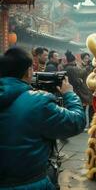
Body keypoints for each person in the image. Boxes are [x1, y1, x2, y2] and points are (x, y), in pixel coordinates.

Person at [0, 47, 86, 189]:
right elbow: (76, 122)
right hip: (32, 183)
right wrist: (69, 94)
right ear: (28, 71)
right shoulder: (38, 102)